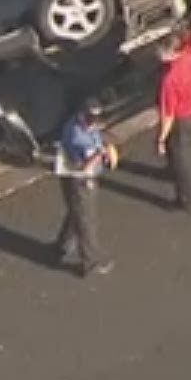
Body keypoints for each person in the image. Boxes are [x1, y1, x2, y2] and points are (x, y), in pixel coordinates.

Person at [54, 96, 116, 277]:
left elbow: (97, 133)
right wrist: (101, 152)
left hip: (75, 175)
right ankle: (91, 262)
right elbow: (84, 166)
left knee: (77, 210)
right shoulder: (76, 137)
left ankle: (63, 244)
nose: (94, 125)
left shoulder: (79, 124)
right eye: (91, 121)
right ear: (81, 116)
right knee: (86, 219)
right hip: (79, 178)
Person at [155, 21, 191, 213]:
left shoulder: (169, 80)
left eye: (162, 52)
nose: (159, 55)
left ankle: (190, 201)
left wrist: (160, 139)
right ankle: (170, 171)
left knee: (181, 159)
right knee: (177, 152)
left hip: (180, 120)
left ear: (173, 53)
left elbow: (167, 115)